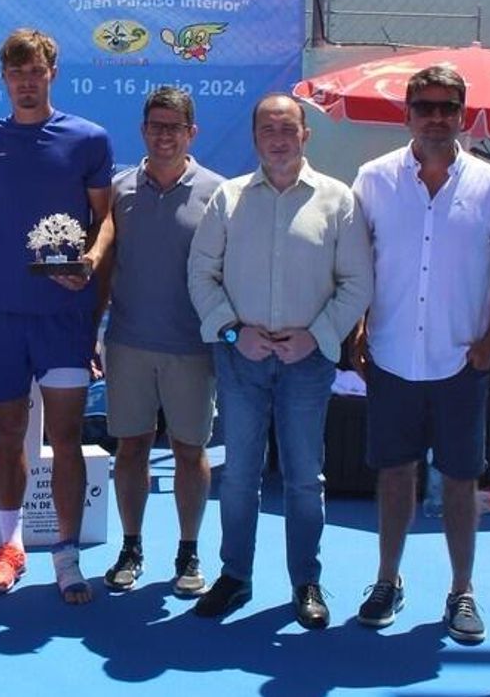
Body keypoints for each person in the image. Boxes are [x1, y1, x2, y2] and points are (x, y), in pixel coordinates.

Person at [349, 65, 490, 644]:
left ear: (462, 115)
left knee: (459, 481)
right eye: (423, 106)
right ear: (406, 114)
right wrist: (358, 329)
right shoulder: (372, 180)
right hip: (391, 357)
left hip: (461, 365)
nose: (434, 116)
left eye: (446, 107)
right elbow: (353, 263)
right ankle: (387, 580)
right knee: (395, 474)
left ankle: (461, 591)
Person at [187, 93, 372, 626]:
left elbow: (357, 281)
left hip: (307, 363)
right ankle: (235, 576)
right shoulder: (228, 198)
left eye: (287, 127)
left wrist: (316, 336)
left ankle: (306, 582)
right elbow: (202, 273)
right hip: (241, 359)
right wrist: (231, 331)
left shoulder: (338, 200)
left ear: (305, 135)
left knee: (303, 478)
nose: (278, 137)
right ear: (255, 138)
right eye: (267, 128)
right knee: (240, 474)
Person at [0, 28, 113, 603]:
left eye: (36, 72)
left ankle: (67, 555)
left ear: (53, 73)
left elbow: (106, 217)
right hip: (1, 314)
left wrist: (92, 259)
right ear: (4, 78)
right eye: (16, 73)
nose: (26, 81)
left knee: (67, 436)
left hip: (63, 316)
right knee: (7, 434)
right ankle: (10, 548)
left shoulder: (87, 139)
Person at [89, 86, 224, 598]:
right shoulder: (119, 191)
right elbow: (104, 271)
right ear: (143, 130)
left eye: (174, 127)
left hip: (193, 349)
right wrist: (91, 333)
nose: (164, 135)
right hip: (127, 344)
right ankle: (131, 546)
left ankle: (189, 551)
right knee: (131, 450)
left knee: (191, 453)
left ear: (192, 133)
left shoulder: (219, 193)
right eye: (155, 126)